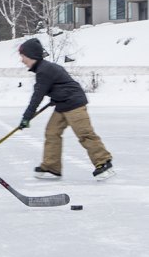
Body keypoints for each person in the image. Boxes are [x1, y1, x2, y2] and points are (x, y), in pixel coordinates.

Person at [18, 38, 114, 181]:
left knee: (84, 134)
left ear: (32, 55)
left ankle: (104, 162)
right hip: (63, 104)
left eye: (23, 56)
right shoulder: (45, 68)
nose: (22, 60)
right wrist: (55, 96)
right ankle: (52, 167)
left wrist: (27, 117)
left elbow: (36, 97)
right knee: (52, 132)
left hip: (74, 103)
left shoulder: (44, 70)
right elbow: (59, 84)